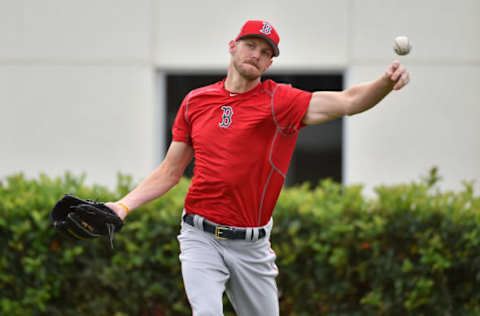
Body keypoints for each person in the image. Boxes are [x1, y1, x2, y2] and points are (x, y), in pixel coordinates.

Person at [105, 20, 410, 316]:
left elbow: (347, 101)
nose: (257, 55)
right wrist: (122, 206)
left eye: (266, 53)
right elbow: (169, 172)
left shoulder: (280, 101)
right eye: (251, 45)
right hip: (199, 236)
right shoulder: (195, 102)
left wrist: (384, 83)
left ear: (269, 65)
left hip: (251, 248)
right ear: (232, 47)